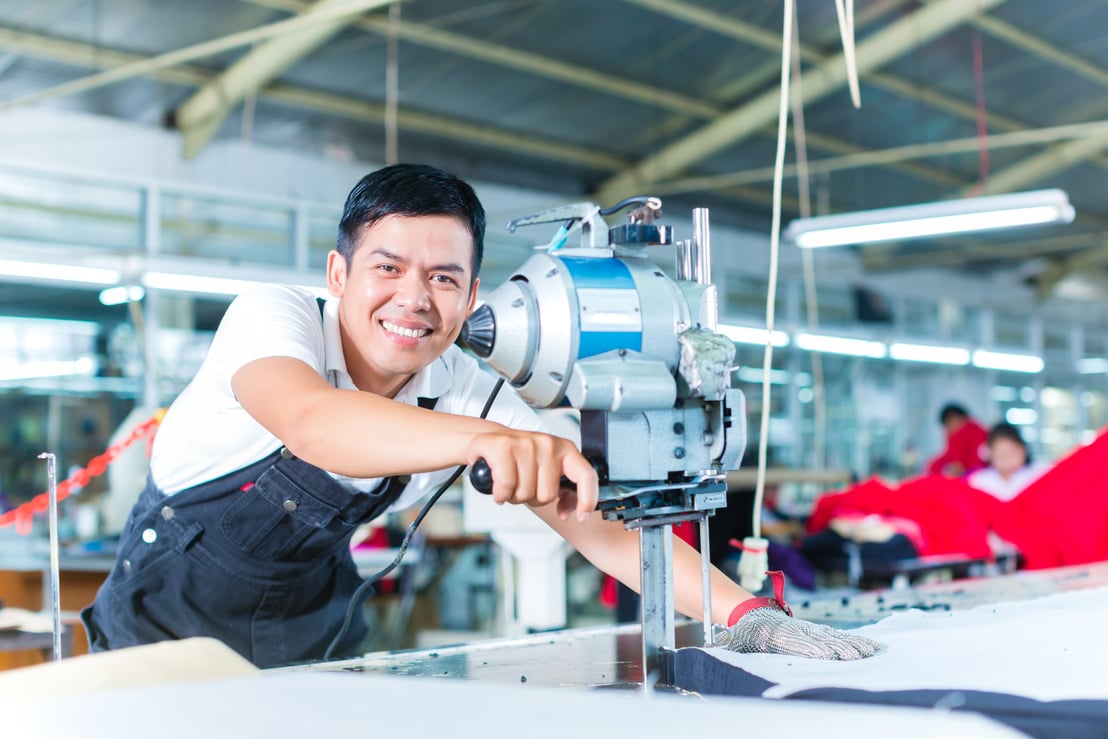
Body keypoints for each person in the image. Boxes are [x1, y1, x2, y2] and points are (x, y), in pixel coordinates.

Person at [81, 164, 879, 668]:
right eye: (388, 268)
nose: (413, 299)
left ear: (470, 295)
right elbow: (317, 423)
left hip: (311, 633)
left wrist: (749, 614)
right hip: (159, 640)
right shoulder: (273, 319)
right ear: (339, 271)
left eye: (444, 278)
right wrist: (494, 439)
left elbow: (595, 522)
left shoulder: (462, 379)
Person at [967, 422, 1050, 502]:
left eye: (1012, 451)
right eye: (1002, 453)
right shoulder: (979, 481)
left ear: (1024, 449)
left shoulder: (1040, 474)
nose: (1008, 458)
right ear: (989, 453)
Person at [926, 403, 989, 477]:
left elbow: (957, 467)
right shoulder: (954, 434)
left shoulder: (969, 431)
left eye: (951, 422)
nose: (949, 429)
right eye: (947, 426)